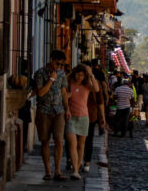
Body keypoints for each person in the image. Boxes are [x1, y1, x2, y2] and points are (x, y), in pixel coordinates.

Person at [32, 49, 69, 181]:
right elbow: (40, 93)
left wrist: (67, 109)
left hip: (59, 111)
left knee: (59, 140)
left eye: (62, 65)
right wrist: (51, 80)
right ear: (51, 59)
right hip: (44, 111)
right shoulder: (40, 74)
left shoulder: (61, 74)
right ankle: (48, 171)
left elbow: (64, 92)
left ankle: (58, 171)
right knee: (45, 141)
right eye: (58, 64)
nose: (59, 67)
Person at [65, 64, 100, 180]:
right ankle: (75, 169)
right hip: (71, 117)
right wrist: (67, 98)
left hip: (84, 118)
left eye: (82, 75)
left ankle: (77, 168)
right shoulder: (68, 84)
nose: (80, 77)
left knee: (81, 145)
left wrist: (91, 75)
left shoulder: (87, 85)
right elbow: (63, 95)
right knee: (72, 144)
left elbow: (97, 89)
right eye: (78, 74)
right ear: (74, 73)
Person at [82, 63, 107, 172]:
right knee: (74, 140)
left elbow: (99, 100)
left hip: (90, 115)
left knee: (88, 140)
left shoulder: (94, 83)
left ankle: (86, 161)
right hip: (75, 114)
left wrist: (102, 117)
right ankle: (73, 160)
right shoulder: (74, 82)